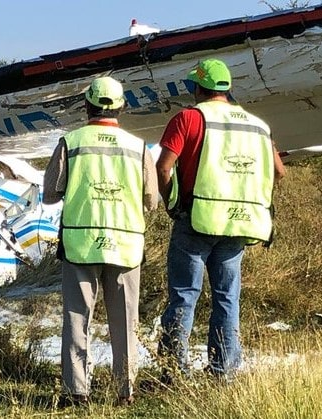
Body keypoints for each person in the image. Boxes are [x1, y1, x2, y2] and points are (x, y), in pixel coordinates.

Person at [156, 58, 286, 380]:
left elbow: (163, 167)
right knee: (227, 300)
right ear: (227, 89)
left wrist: (172, 203)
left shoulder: (188, 118)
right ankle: (223, 372)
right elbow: (279, 173)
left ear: (198, 88)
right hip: (239, 224)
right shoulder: (258, 126)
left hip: (196, 219)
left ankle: (174, 372)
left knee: (185, 296)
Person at [43, 76, 158, 406]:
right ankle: (126, 391)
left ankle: (77, 391)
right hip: (126, 246)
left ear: (87, 106)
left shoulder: (71, 141)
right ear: (122, 107)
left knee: (77, 319)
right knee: (125, 321)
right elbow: (151, 199)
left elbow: (51, 193)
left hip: (81, 243)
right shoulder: (138, 147)